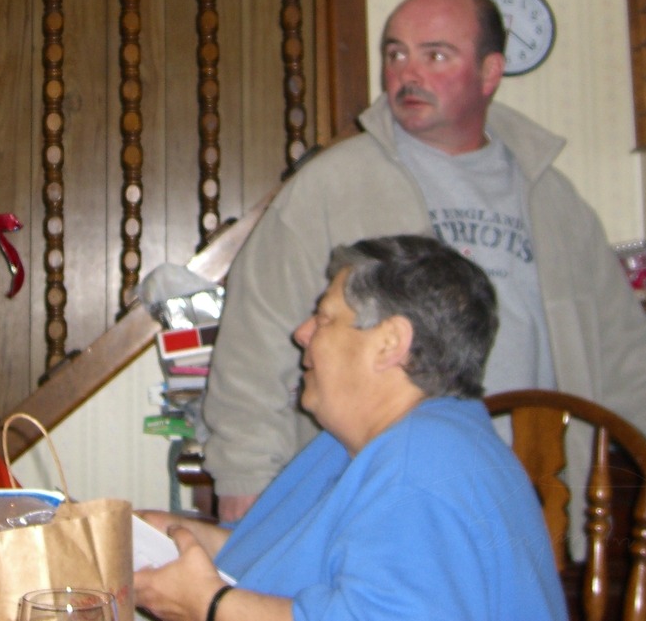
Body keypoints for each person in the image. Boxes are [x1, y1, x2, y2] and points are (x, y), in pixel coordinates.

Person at [204, 0, 646, 525]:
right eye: (396, 54)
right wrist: (244, 475)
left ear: (490, 72)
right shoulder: (329, 186)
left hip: (530, 496)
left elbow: (621, 342)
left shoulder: (553, 197)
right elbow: (254, 341)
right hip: (374, 504)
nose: (407, 74)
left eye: (435, 55)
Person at [136, 236, 566, 621]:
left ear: (389, 343)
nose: (301, 333)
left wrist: (210, 608)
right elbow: (293, 557)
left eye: (324, 319)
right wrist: (181, 538)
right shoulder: (361, 445)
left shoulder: (421, 463)